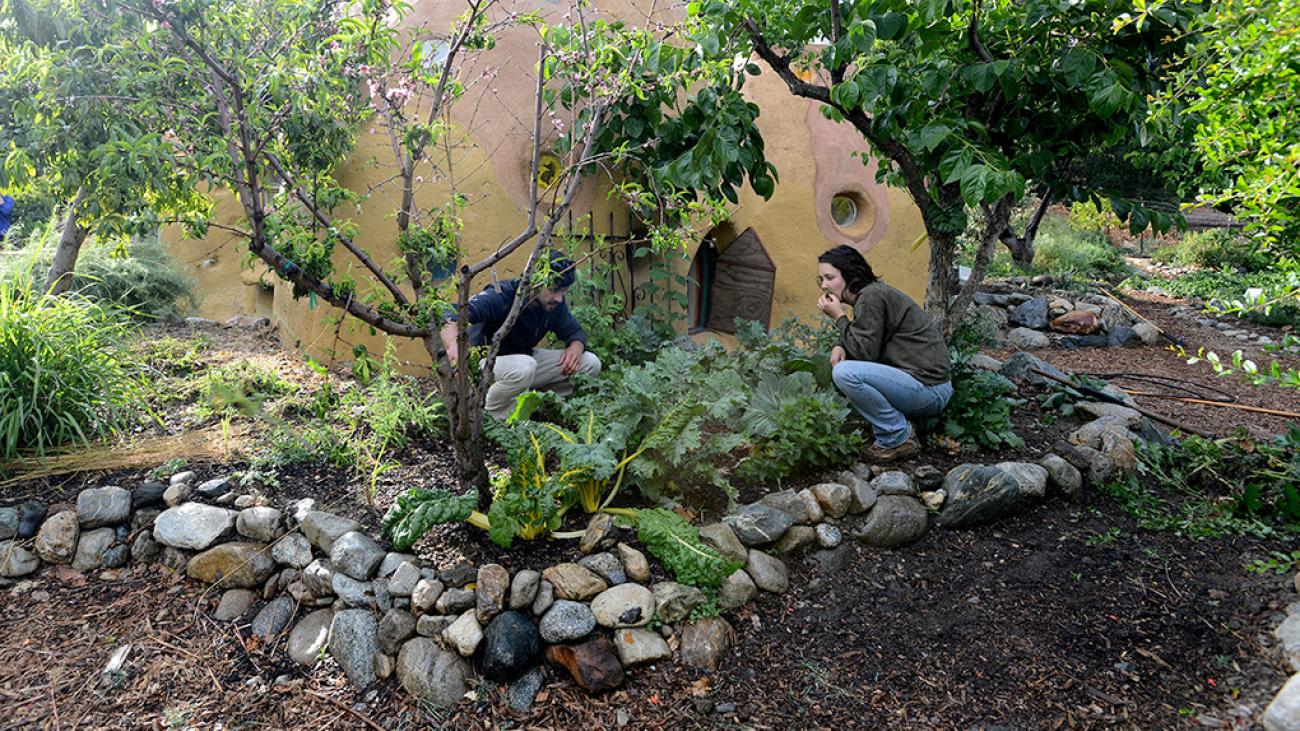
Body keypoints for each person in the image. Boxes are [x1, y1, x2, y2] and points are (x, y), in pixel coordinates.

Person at [816, 245, 953, 461]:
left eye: (829, 277)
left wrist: (839, 318)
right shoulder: (872, 294)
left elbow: (865, 353)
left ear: (850, 274)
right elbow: (867, 335)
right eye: (820, 280)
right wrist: (840, 343)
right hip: (925, 386)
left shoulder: (871, 296)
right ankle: (896, 430)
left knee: (845, 373)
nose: (824, 286)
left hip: (930, 389)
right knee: (845, 370)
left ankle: (897, 436)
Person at [440, 251, 601, 420]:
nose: (559, 298)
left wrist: (576, 346)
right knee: (525, 366)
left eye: (564, 291)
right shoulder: (503, 295)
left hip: (521, 365)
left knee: (590, 363)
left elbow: (575, 332)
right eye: (554, 290)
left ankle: (531, 406)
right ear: (535, 281)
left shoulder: (553, 305)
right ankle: (485, 414)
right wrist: (454, 344)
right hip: (481, 366)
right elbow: (449, 314)